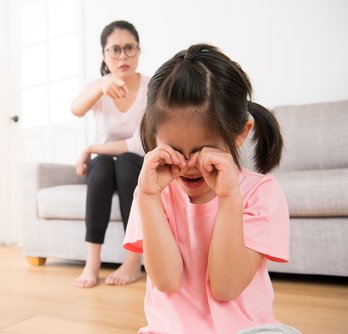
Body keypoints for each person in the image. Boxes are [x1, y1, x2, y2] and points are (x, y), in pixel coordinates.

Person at [124, 44, 300, 333]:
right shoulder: (151, 194)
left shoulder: (262, 192)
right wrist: (147, 198)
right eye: (173, 150)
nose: (188, 164)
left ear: (241, 133)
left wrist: (230, 198)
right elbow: (166, 281)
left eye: (203, 149)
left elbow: (226, 287)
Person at [71, 20, 149, 288]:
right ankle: (92, 262)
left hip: (133, 163)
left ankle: (132, 261)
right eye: (114, 50)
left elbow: (139, 144)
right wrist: (101, 86)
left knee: (127, 163)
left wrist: (90, 148)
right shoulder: (99, 86)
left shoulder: (152, 88)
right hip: (103, 167)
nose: (123, 56)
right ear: (104, 55)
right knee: (102, 167)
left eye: (129, 48)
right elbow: (76, 109)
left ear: (139, 51)